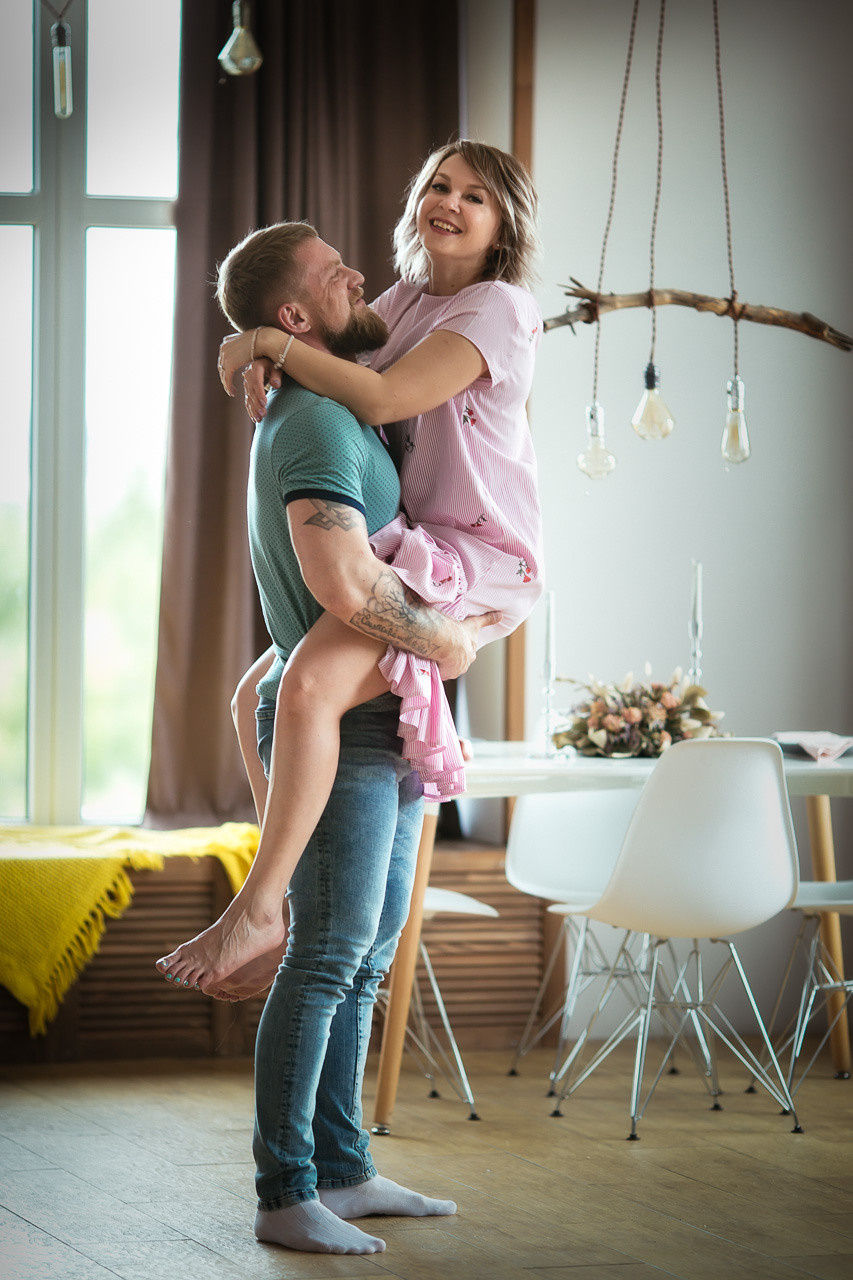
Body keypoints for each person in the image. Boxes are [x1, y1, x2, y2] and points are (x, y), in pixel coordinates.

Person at [161, 219, 497, 1254]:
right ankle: (285, 1187)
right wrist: (448, 638)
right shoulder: (310, 421)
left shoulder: (331, 396)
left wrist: (253, 347)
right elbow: (341, 585)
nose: (360, 272)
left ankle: (342, 1168)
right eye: (331, 269)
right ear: (297, 314)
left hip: (376, 722)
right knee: (326, 957)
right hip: (344, 730)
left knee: (356, 960)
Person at [157, 141, 544, 999]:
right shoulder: (402, 302)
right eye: (436, 185)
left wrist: (262, 338)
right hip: (413, 547)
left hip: (474, 554)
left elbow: (376, 400)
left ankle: (262, 904)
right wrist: (270, 346)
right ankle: (285, 892)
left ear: (501, 224)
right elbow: (335, 352)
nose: (448, 202)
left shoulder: (500, 309)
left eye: (474, 197)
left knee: (306, 689)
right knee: (250, 694)